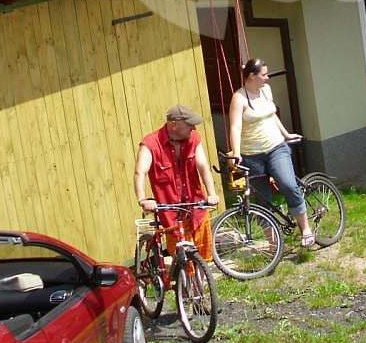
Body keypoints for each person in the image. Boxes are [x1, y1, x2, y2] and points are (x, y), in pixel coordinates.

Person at [228, 58, 315, 247]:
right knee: (262, 200)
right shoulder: (239, 98)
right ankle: (273, 245)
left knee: (288, 185)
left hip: (276, 147)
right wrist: (236, 153)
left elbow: (272, 115)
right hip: (252, 155)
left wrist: (286, 134)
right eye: (264, 74)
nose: (267, 78)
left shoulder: (266, 91)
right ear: (252, 76)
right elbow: (235, 127)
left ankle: (306, 229)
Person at [134, 104, 220, 259]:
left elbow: (202, 166)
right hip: (171, 214)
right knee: (182, 260)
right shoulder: (151, 144)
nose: (193, 128)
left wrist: (211, 193)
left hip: (196, 208)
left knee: (203, 258)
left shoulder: (194, 138)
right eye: (189, 124)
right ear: (173, 124)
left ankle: (200, 275)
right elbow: (140, 172)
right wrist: (143, 199)